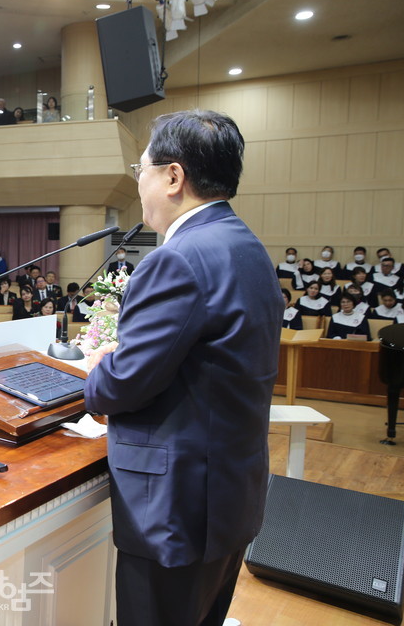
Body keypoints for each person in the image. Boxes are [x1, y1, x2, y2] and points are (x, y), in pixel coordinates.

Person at [84, 110, 282, 626]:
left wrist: (99, 370)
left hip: (175, 509)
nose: (140, 181)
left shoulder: (178, 257)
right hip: (228, 496)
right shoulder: (248, 247)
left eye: (141, 169)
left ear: (173, 177)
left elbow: (125, 384)